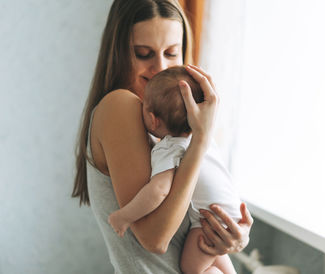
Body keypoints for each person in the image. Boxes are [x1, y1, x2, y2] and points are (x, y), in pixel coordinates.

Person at [71, 0, 253, 273]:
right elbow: (155, 239)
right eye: (143, 54)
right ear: (118, 54)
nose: (160, 68)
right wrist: (200, 140)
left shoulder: (168, 130)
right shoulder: (120, 106)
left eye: (171, 53)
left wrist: (232, 238)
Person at [108, 66, 242, 273]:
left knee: (192, 268)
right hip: (231, 213)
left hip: (210, 219)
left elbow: (158, 191)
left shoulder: (169, 147)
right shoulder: (205, 139)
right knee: (214, 257)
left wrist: (124, 216)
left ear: (153, 119)